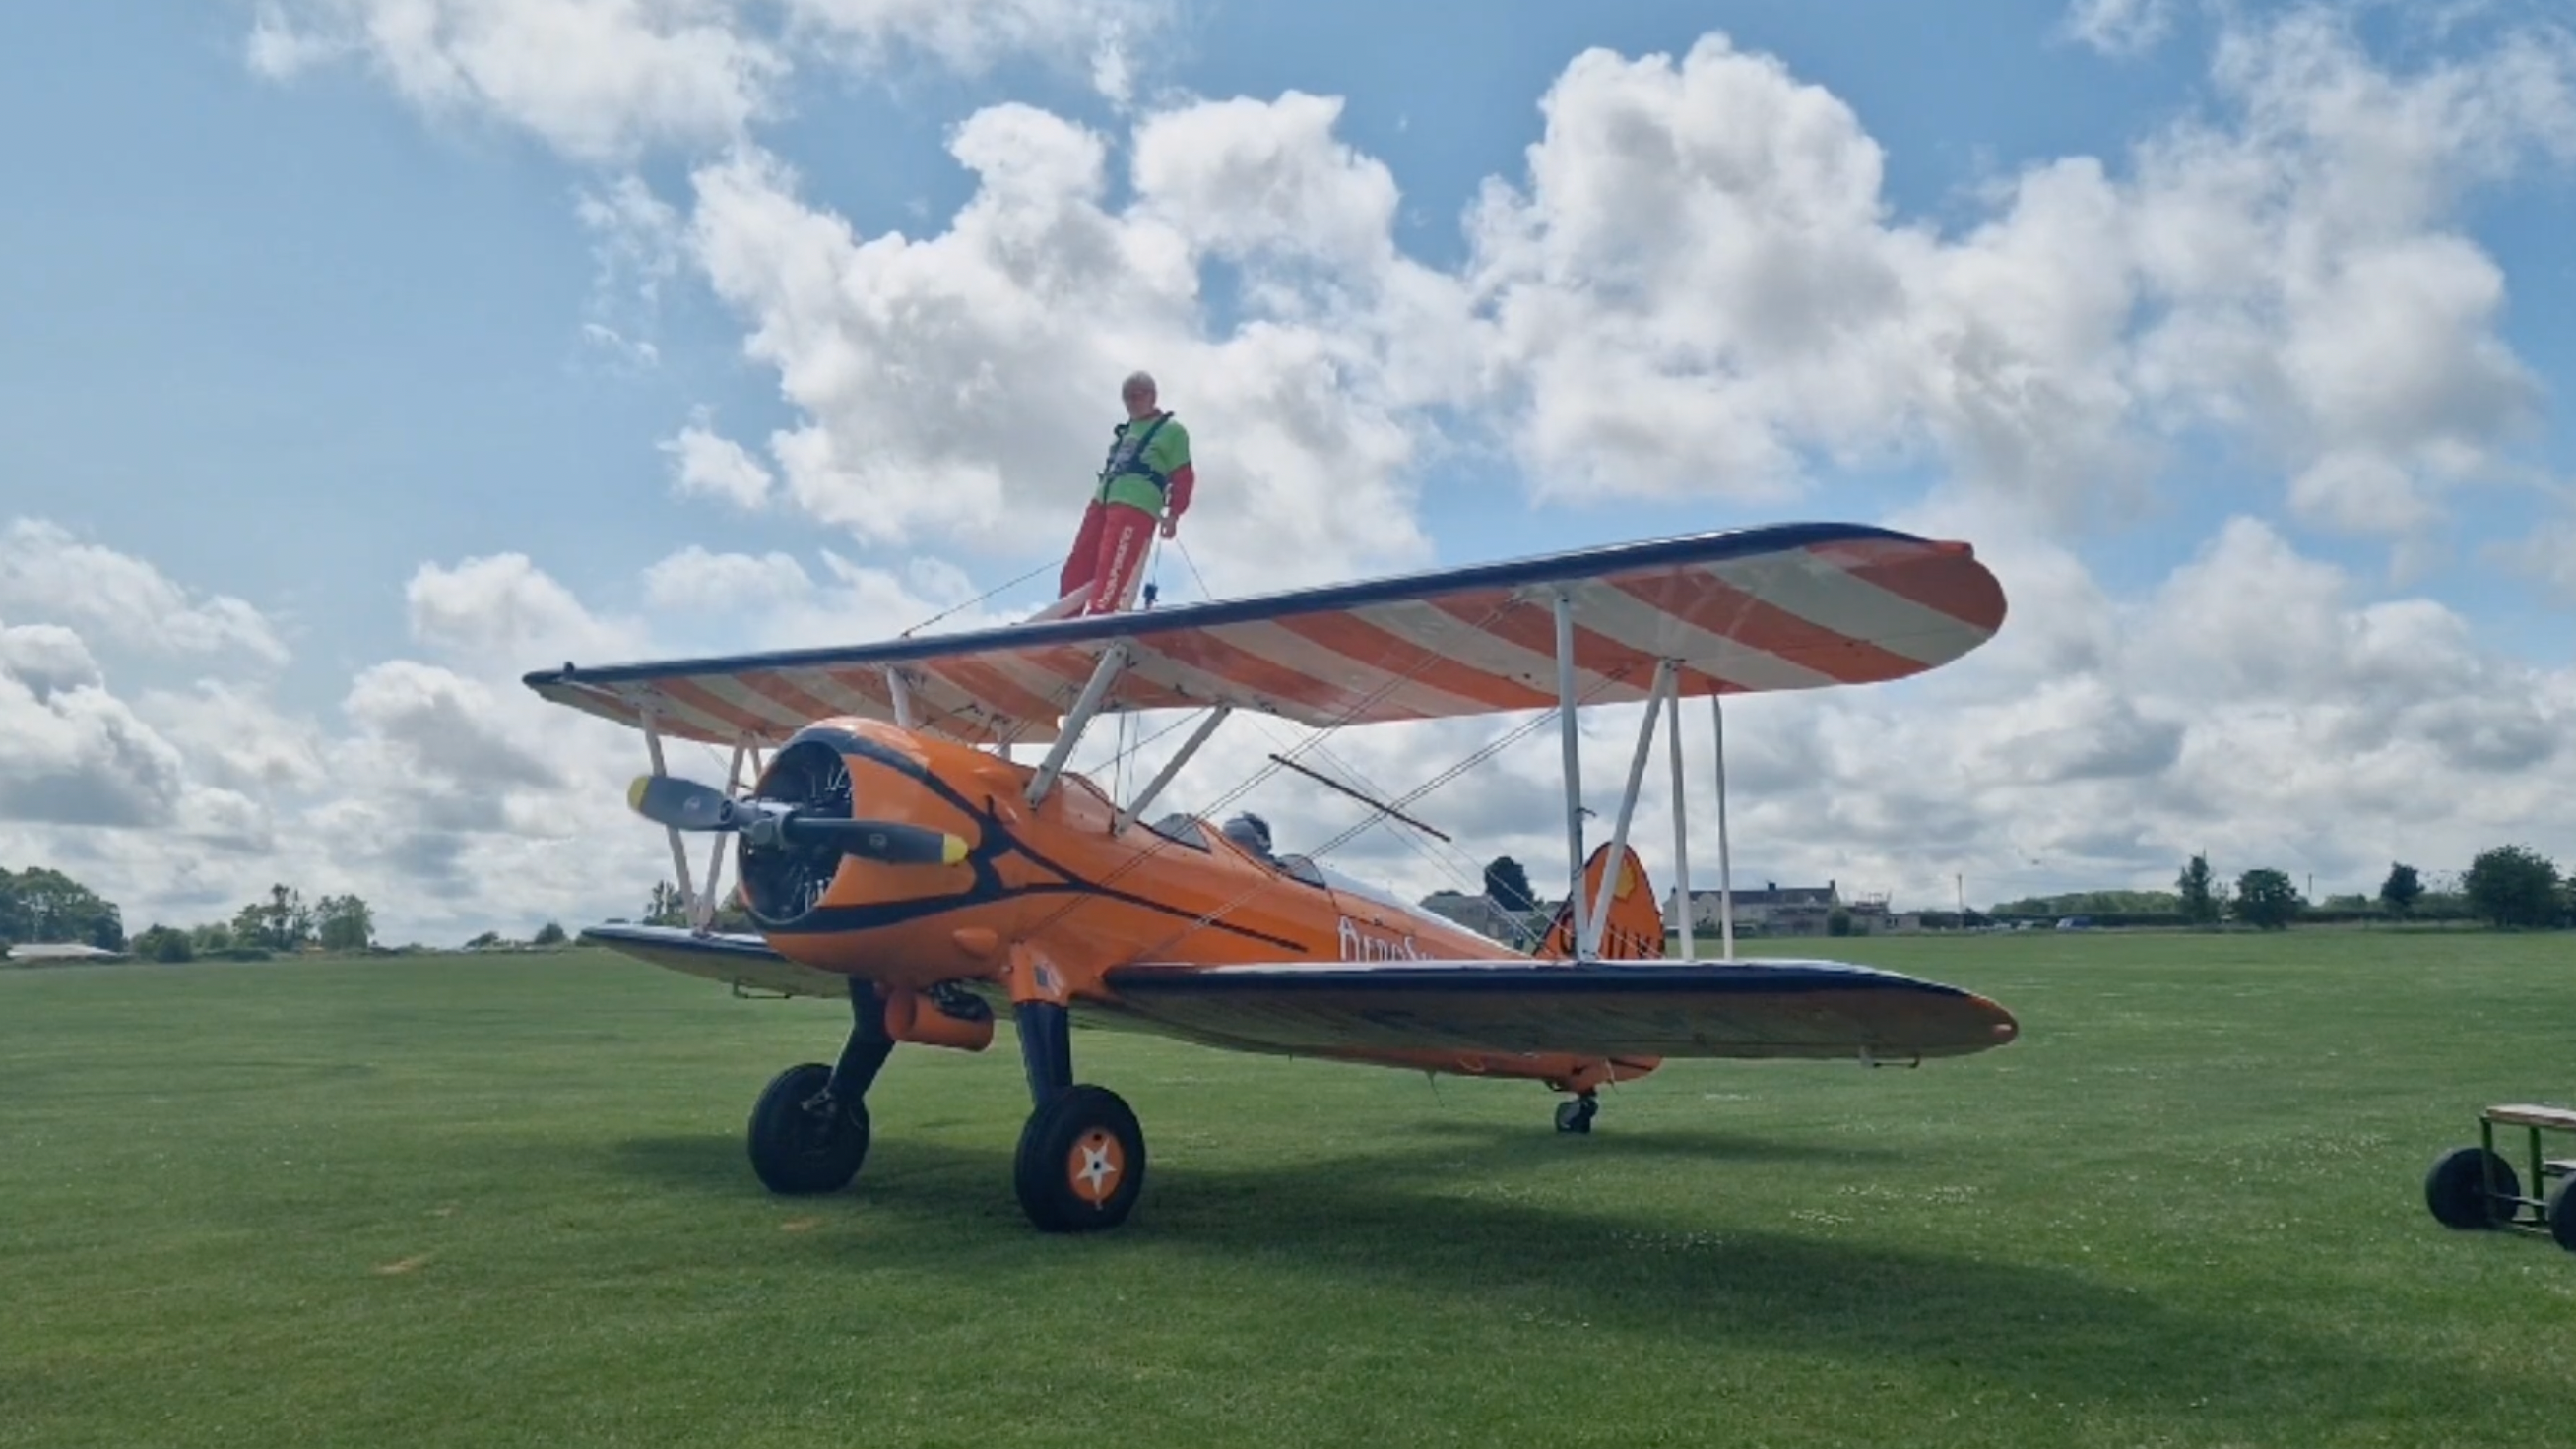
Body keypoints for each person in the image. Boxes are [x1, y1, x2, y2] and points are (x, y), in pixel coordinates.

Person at [1057, 371, 1194, 616]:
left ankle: (1099, 619)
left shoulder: (1173, 431)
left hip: (1136, 504)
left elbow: (1183, 477)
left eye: (1137, 395)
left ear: (1152, 396)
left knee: (1114, 565)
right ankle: (1065, 620)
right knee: (1078, 564)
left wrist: (1173, 514)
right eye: (1127, 397)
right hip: (1102, 500)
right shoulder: (1125, 431)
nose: (1132, 402)